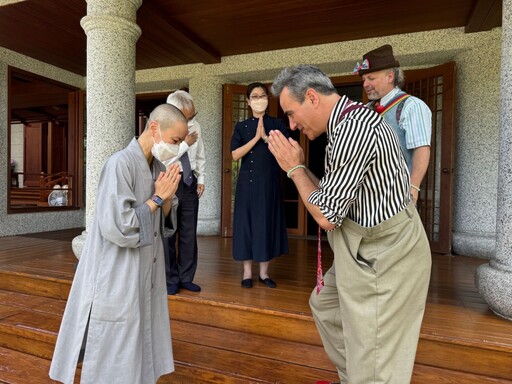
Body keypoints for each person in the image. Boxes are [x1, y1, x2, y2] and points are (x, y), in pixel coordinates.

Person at [267, 65, 431, 384]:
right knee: (325, 305)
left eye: (291, 112)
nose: (291, 124)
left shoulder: (354, 129)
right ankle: (353, 375)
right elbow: (330, 196)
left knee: (377, 359)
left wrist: (294, 169)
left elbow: (327, 216)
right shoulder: (345, 124)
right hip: (359, 247)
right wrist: (298, 166)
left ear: (312, 97)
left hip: (385, 254)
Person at [49, 104, 188, 384]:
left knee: (140, 330)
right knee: (117, 334)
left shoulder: (159, 166)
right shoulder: (119, 164)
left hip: (146, 266)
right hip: (118, 267)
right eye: (175, 140)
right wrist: (159, 198)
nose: (179, 148)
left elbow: (162, 221)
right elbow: (118, 226)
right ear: (154, 128)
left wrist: (168, 200)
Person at [354, 44, 432, 204]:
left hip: (395, 198)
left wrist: (413, 188)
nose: (365, 84)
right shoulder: (366, 109)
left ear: (390, 76)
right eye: (364, 79)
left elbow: (421, 149)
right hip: (365, 200)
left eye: (371, 78)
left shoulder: (411, 106)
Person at [230, 82, 289, 289]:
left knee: (265, 224)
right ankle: (247, 273)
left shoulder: (278, 124)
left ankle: (264, 273)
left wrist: (265, 138)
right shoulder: (241, 127)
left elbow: (286, 152)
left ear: (268, 98)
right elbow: (235, 154)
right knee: (246, 226)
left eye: (262, 95)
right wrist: (255, 138)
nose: (259, 99)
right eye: (254, 96)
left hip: (268, 182)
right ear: (248, 101)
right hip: (247, 183)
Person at [164, 90, 206, 295]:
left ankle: (186, 277)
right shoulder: (163, 128)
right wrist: (183, 145)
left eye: (193, 116)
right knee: (169, 232)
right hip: (171, 180)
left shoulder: (195, 126)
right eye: (187, 117)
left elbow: (200, 154)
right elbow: (163, 157)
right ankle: (170, 278)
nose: (191, 120)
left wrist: (202, 179)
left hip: (190, 182)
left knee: (189, 232)